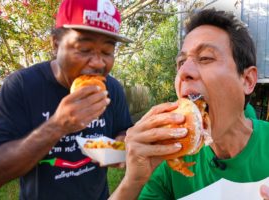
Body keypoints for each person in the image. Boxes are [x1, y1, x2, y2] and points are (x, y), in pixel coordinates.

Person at [0, 0, 133, 199]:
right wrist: (57, 125)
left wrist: (120, 144)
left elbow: (123, 129)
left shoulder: (111, 88)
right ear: (55, 43)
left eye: (107, 52)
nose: (97, 63)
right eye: (84, 49)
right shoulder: (22, 86)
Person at [110, 9, 269, 200]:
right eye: (181, 62)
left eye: (206, 58)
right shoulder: (170, 161)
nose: (183, 71)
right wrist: (132, 181)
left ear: (247, 80)